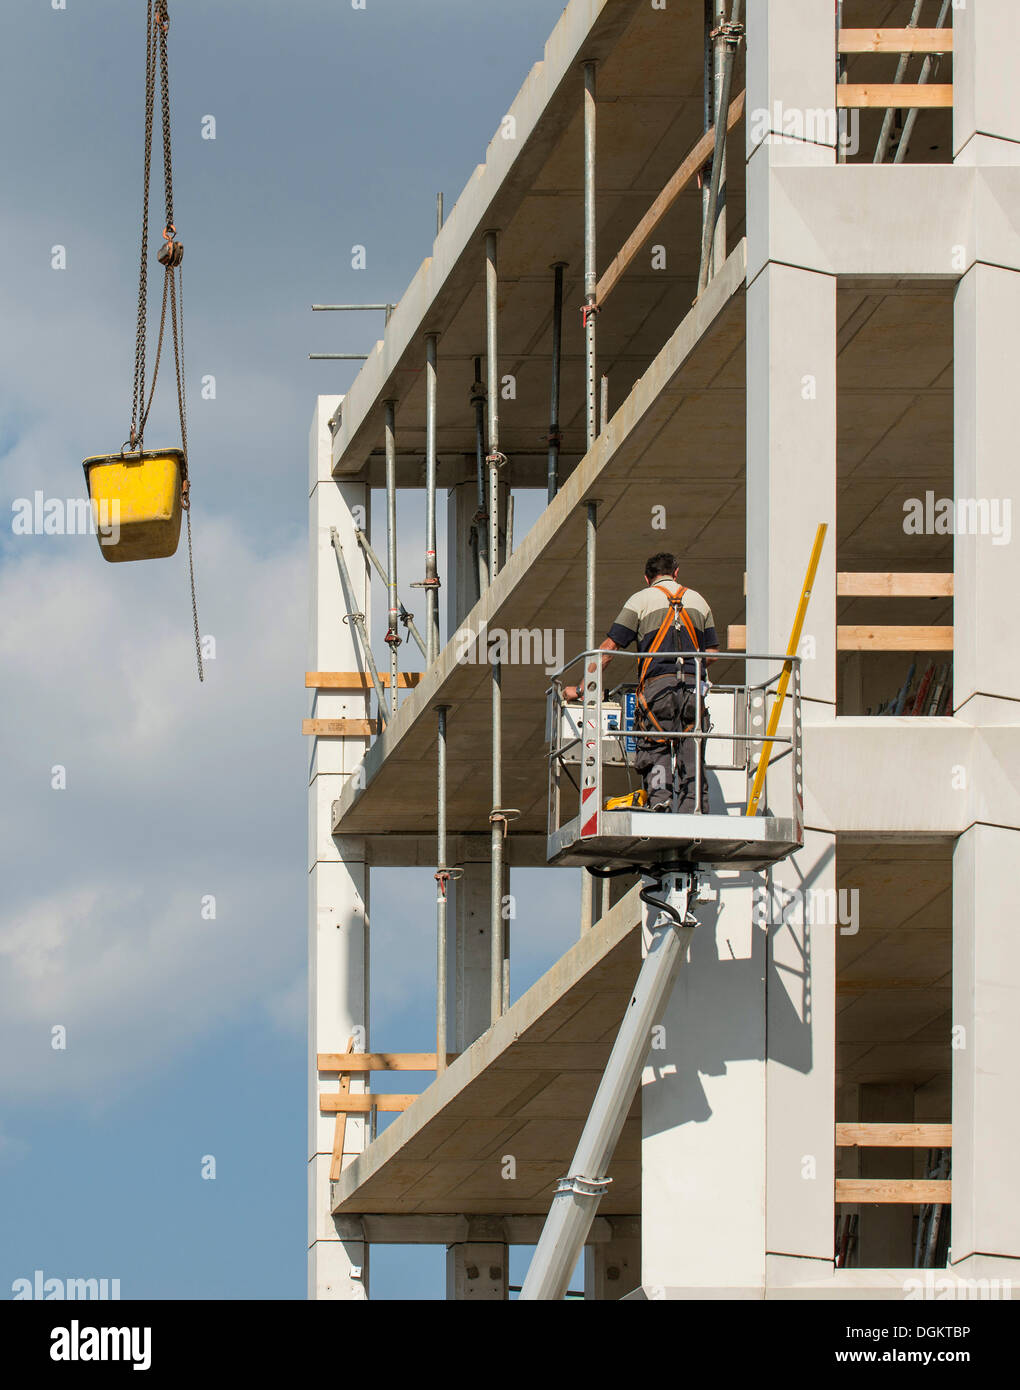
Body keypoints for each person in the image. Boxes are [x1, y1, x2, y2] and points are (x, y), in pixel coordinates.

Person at [563, 553, 719, 813]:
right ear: (676, 573)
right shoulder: (699, 601)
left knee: (655, 744)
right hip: (693, 689)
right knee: (691, 746)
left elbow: (608, 650)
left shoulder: (639, 600)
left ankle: (661, 802)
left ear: (647, 578)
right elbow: (712, 654)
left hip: (657, 689)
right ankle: (694, 810)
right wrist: (694, 669)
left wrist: (580, 689)